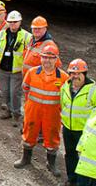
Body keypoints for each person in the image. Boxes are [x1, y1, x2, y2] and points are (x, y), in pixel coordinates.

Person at [14, 44, 69, 177]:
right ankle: (26, 158)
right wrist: (32, 105)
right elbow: (25, 88)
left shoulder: (64, 78)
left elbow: (66, 98)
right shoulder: (32, 72)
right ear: (41, 58)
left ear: (56, 59)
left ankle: (51, 164)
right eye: (45, 57)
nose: (47, 60)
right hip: (33, 111)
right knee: (29, 134)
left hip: (52, 114)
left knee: (52, 137)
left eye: (51, 58)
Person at [57, 59, 96, 186]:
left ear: (85, 74)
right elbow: (62, 104)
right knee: (70, 154)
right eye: (72, 73)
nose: (75, 76)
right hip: (68, 128)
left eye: (78, 73)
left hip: (85, 132)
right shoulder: (65, 87)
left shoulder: (94, 91)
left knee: (84, 159)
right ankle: (72, 179)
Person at [0, 10, 31, 126]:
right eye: (10, 22)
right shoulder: (2, 33)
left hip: (16, 70)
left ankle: (16, 115)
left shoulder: (26, 36)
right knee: (5, 91)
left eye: (15, 22)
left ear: (20, 22)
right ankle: (8, 111)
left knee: (15, 93)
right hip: (3, 68)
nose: (13, 24)